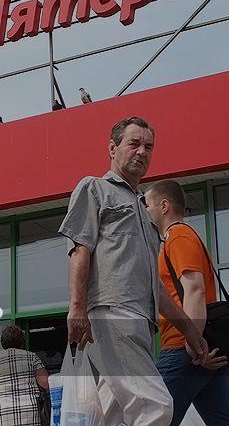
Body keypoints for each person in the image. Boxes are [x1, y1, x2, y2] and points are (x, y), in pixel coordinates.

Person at [60, 116, 209, 426]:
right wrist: (77, 306)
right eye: (134, 143)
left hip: (140, 323)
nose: (142, 151)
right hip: (112, 313)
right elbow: (80, 249)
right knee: (155, 406)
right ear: (112, 148)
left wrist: (190, 330)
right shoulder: (95, 188)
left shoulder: (144, 211)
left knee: (111, 417)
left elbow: (155, 286)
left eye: (148, 146)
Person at [145, 179, 229, 425]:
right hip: (202, 350)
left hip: (183, 348)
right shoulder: (183, 237)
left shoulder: (177, 236)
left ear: (164, 206)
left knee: (153, 419)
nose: (144, 211)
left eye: (147, 205)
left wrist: (193, 344)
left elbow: (195, 290)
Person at [0, 324, 50, 426]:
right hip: (28, 413)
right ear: (21, 341)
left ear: (2, 342)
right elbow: (45, 383)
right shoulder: (31, 357)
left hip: (1, 414)